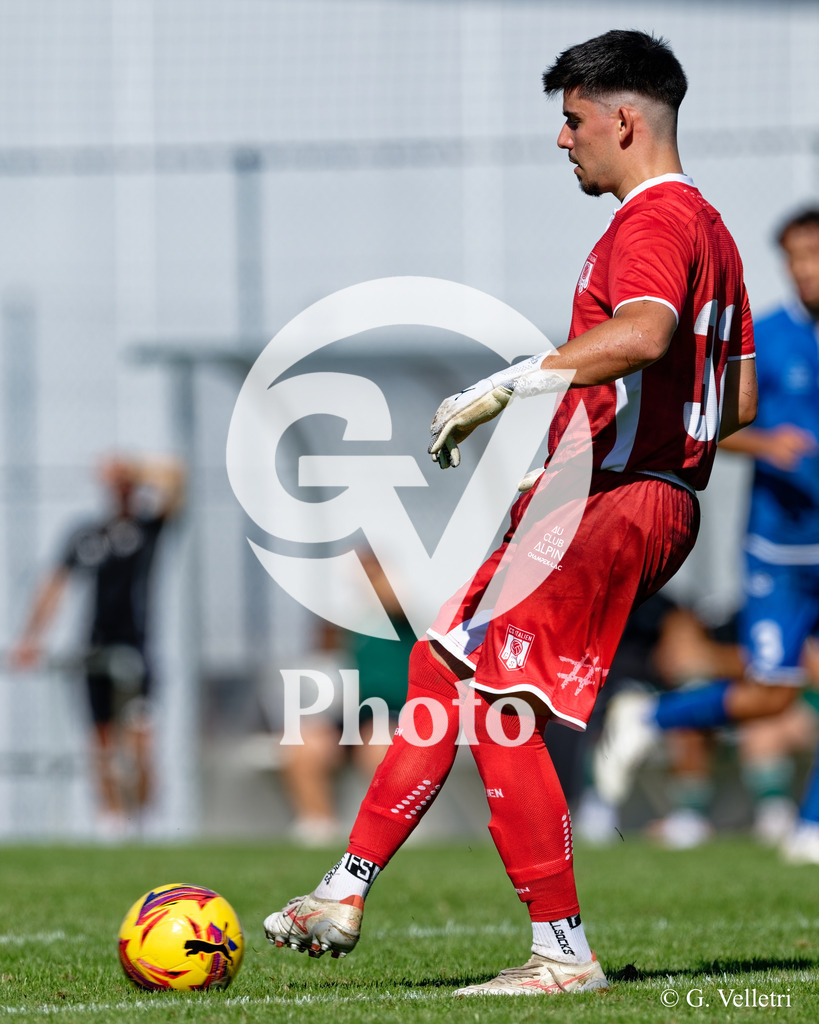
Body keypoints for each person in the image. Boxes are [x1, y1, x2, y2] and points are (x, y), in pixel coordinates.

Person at [262, 29, 756, 997]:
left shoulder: (650, 223)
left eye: (572, 121)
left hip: (618, 502)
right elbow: (735, 399)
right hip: (606, 496)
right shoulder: (717, 233)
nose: (562, 140)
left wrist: (521, 382)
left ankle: (561, 951)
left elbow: (647, 332)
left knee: (498, 704)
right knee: (439, 660)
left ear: (624, 119)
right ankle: (343, 888)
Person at [594, 207, 819, 864]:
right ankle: (648, 719)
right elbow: (711, 418)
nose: (805, 270)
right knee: (767, 693)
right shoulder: (768, 337)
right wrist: (761, 441)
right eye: (795, 258)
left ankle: (809, 824)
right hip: (777, 548)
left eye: (813, 255)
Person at [11, 453, 186, 839]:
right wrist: (30, 639)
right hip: (95, 650)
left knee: (141, 741)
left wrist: (135, 468)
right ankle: (112, 822)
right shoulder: (88, 534)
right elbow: (54, 584)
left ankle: (146, 819)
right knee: (102, 741)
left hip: (138, 651)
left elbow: (177, 479)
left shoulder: (149, 528)